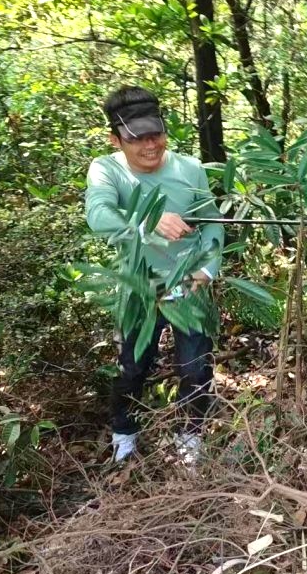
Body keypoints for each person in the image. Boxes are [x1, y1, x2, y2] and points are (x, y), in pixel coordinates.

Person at [85, 86, 225, 463]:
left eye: (156, 135)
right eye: (138, 139)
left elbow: (212, 223)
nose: (151, 146)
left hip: (189, 285)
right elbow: (98, 216)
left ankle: (190, 439)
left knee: (196, 370)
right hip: (138, 289)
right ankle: (124, 436)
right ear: (116, 139)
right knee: (131, 368)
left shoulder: (189, 168)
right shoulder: (106, 169)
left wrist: (206, 269)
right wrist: (149, 219)